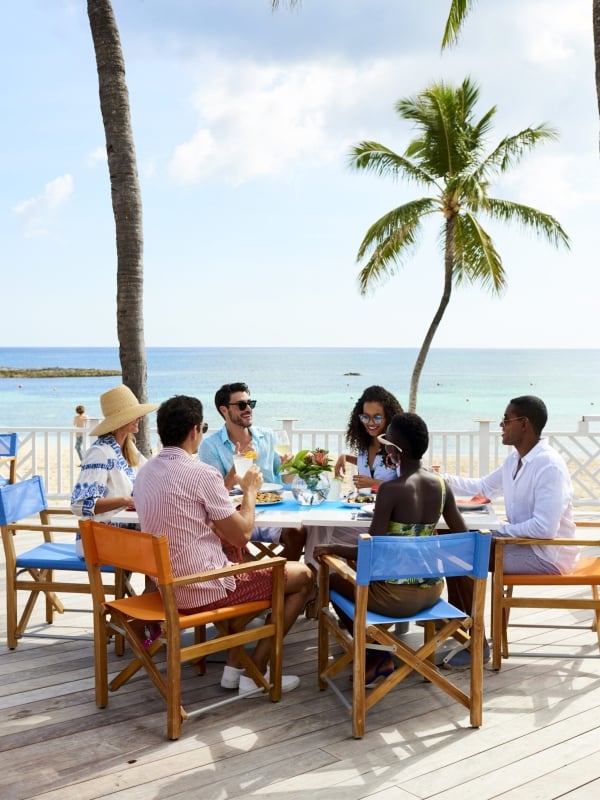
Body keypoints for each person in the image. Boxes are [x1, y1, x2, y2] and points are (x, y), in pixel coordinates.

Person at [134, 394, 314, 695]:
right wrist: (251, 492)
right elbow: (242, 533)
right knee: (306, 577)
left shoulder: (145, 474)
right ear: (194, 431)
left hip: (164, 588)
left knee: (238, 556)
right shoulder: (201, 473)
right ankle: (256, 670)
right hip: (204, 589)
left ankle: (235, 666)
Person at [314, 412, 467, 686]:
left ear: (395, 451)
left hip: (394, 599)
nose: (383, 448)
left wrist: (330, 547)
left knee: (331, 580)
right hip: (432, 592)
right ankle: (381, 651)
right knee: (353, 575)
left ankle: (373, 656)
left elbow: (371, 549)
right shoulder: (442, 486)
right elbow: (464, 538)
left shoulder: (391, 490)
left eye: (386, 443)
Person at [442, 394, 578, 668]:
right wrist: (439, 479)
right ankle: (464, 632)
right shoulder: (515, 460)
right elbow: (482, 488)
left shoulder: (547, 465)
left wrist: (496, 530)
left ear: (524, 424)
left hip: (545, 554)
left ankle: (474, 640)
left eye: (506, 420)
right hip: (520, 544)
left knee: (459, 553)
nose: (501, 425)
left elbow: (544, 528)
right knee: (451, 544)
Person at [199, 381, 305, 561]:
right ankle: (261, 580)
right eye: (241, 405)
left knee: (298, 532)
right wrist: (235, 468)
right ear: (224, 410)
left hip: (273, 508)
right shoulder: (210, 446)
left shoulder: (268, 437)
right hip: (236, 515)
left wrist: (290, 467)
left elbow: (286, 480)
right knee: (221, 537)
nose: (248, 409)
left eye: (250, 403)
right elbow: (215, 492)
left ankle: (275, 581)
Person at [71, 385, 158, 555]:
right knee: (159, 551)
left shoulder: (128, 447)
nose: (139, 417)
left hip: (125, 532)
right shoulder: (100, 453)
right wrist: (126, 500)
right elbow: (79, 505)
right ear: (121, 420)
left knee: (167, 544)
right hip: (99, 539)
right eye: (134, 414)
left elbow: (152, 472)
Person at [335, 385, 404, 492]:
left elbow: (406, 486)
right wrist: (346, 457)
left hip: (390, 507)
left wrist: (374, 483)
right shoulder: (364, 444)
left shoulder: (396, 448)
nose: (370, 423)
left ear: (389, 417)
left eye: (377, 417)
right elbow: (371, 466)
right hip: (362, 506)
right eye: (365, 417)